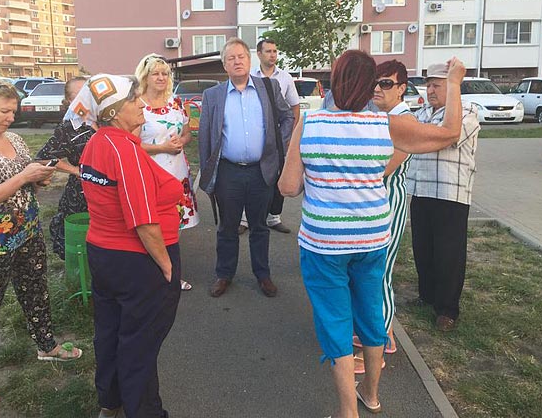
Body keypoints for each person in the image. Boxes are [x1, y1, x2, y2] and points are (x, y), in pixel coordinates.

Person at [279, 51, 466, 416]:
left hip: (323, 244)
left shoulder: (310, 122)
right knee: (370, 312)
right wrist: (455, 84)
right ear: (371, 86)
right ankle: (372, 394)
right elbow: (449, 134)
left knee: (335, 321)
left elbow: (287, 187)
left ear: (334, 81)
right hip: (372, 239)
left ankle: (348, 412)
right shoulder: (386, 124)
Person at [0, 79, 82, 408]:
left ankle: (46, 345)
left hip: (27, 232)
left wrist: (38, 178)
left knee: (36, 291)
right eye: (5, 111)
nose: (11, 117)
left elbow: (26, 183)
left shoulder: (15, 139)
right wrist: (23, 177)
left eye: (14, 111)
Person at [77, 74, 182, 418]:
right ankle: (145, 411)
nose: (141, 104)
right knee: (140, 342)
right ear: (114, 112)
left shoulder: (97, 142)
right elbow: (142, 219)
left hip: (104, 254)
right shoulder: (125, 152)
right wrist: (166, 263)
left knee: (109, 332)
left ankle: (110, 401)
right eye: (134, 100)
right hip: (137, 260)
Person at [198, 37, 294, 298]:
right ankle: (224, 274)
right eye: (231, 58)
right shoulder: (212, 96)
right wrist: (208, 174)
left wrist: (278, 145)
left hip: (261, 170)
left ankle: (263, 275)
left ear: (249, 61)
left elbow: (287, 116)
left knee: (259, 227)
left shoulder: (269, 87)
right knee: (227, 227)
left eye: (241, 56)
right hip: (228, 172)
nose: (237, 61)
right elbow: (205, 137)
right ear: (224, 65)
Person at [407, 62, 480, 332]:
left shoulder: (467, 111)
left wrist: (425, 137)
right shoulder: (422, 113)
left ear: (453, 87)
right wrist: (424, 137)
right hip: (421, 190)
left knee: (449, 254)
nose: (430, 90)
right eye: (428, 85)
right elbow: (412, 139)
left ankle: (447, 310)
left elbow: (448, 137)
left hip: (451, 193)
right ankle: (426, 295)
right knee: (423, 248)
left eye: (437, 85)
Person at [353, 60, 413, 374]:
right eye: (375, 82)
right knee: (371, 271)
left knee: (380, 271)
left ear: (402, 88)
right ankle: (380, 333)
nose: (377, 88)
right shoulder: (382, 117)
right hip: (375, 202)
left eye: (386, 83)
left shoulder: (404, 121)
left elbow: (382, 168)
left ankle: (378, 345)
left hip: (388, 199)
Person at [135, 53, 199, 291]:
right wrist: (161, 148)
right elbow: (130, 143)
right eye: (156, 73)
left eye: (165, 73)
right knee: (151, 226)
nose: (161, 77)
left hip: (177, 172)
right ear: (145, 77)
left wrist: (181, 141)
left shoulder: (176, 103)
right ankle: (153, 275)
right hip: (150, 172)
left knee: (174, 226)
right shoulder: (136, 104)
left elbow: (188, 134)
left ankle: (171, 274)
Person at [239, 38, 300, 235]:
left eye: (275, 51)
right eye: (268, 51)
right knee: (251, 176)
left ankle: (274, 217)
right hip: (254, 136)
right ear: (259, 54)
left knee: (276, 176)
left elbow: (293, 108)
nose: (272, 55)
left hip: (278, 138)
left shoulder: (285, 77)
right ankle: (245, 219)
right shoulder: (249, 76)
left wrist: (289, 137)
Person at [35, 76, 90, 260]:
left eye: (87, 93)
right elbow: (44, 157)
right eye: (78, 94)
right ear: (68, 100)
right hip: (81, 194)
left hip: (110, 191)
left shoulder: (107, 120)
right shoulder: (69, 128)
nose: (84, 98)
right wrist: (74, 170)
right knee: (81, 241)